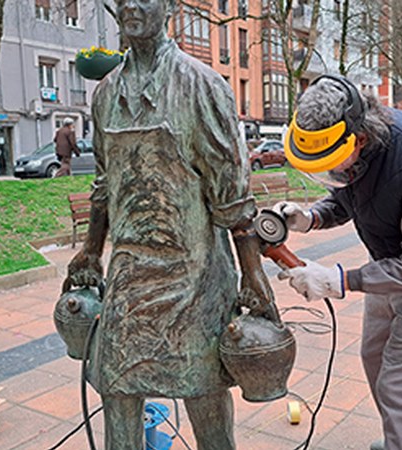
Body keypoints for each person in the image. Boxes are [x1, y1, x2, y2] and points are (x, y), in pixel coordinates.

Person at [62, 0, 275, 448]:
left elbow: (232, 197)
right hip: (128, 276)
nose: (132, 6)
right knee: (117, 388)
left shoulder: (202, 86)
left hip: (195, 278)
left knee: (203, 393)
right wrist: (90, 251)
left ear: (169, 7)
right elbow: (104, 186)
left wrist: (254, 275)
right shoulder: (105, 96)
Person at [275, 75, 402, 450]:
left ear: (361, 138)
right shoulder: (353, 153)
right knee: (376, 359)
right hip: (391, 266)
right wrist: (309, 217)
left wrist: (340, 280)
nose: (331, 174)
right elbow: (346, 194)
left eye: (333, 163)